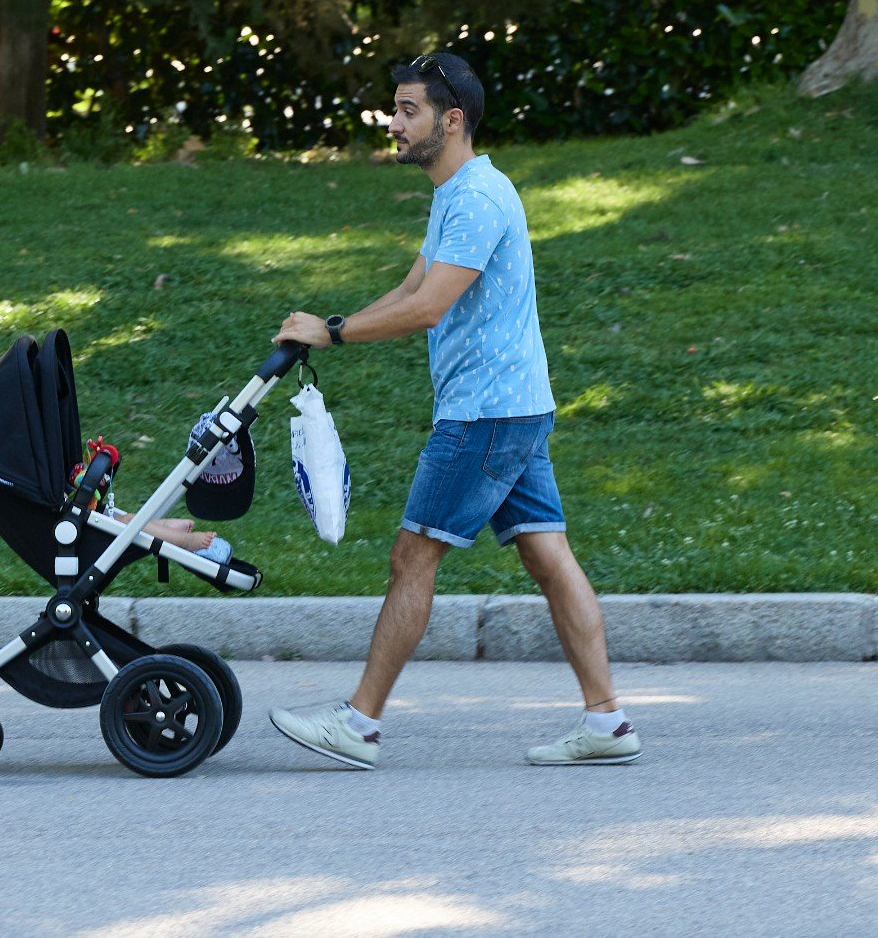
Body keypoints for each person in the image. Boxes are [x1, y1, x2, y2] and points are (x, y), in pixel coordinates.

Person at [266, 52, 639, 769]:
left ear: (452, 119)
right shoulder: (460, 194)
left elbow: (429, 309)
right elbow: (412, 286)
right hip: (515, 406)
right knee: (548, 554)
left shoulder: (476, 200)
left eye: (409, 110)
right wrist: (329, 328)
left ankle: (359, 723)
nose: (395, 124)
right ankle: (607, 722)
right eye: (395, 109)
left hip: (485, 414)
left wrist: (333, 332)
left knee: (413, 555)